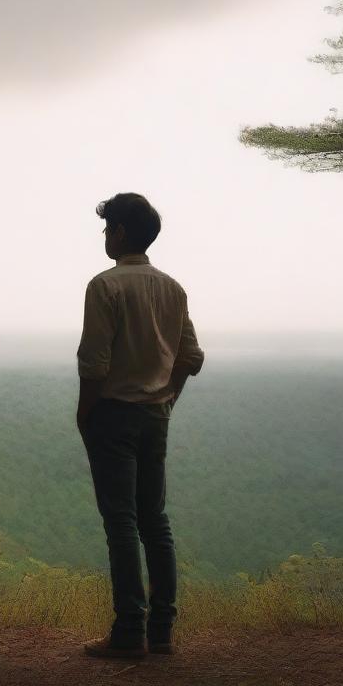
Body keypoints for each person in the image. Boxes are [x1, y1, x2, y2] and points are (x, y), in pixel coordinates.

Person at [76, 192, 204, 659]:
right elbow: (190, 357)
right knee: (156, 520)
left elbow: (94, 363)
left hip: (113, 412)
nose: (105, 236)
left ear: (121, 233)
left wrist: (84, 411)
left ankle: (129, 629)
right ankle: (163, 630)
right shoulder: (172, 288)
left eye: (108, 228)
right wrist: (166, 397)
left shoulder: (105, 286)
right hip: (155, 416)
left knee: (122, 523)